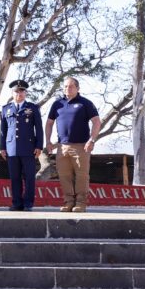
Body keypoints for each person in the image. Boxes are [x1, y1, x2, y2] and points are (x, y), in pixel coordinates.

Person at [45, 77, 102, 213]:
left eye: (71, 86)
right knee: (64, 176)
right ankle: (69, 202)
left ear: (77, 88)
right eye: (65, 87)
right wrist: (48, 141)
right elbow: (49, 123)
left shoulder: (85, 103)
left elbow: (96, 122)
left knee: (82, 176)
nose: (67, 89)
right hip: (62, 147)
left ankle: (81, 203)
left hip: (81, 146)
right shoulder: (57, 104)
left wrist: (92, 140)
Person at [0, 79, 44, 211]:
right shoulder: (6, 109)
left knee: (29, 177)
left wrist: (39, 146)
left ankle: (28, 203)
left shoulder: (32, 108)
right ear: (12, 93)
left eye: (22, 91)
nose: (19, 93)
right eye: (16, 91)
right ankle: (17, 203)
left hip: (28, 148)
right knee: (14, 177)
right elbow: (3, 130)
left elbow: (39, 128)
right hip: (11, 149)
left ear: (25, 93)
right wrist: (2, 147)